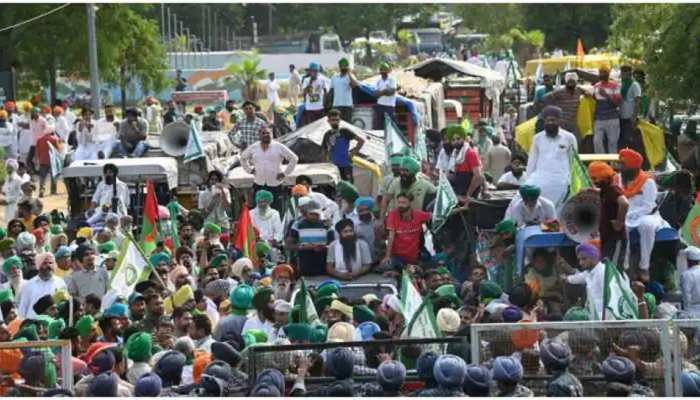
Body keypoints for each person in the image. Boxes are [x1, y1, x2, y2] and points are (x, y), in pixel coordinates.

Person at [619, 148, 667, 281]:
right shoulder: (618, 178)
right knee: (623, 227)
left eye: (624, 166)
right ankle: (625, 265)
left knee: (647, 226)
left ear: (633, 168)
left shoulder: (648, 182)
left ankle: (644, 266)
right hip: (625, 214)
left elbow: (648, 206)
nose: (621, 168)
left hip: (646, 215)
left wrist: (630, 213)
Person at [525, 105, 577, 205]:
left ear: (559, 120)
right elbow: (532, 162)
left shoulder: (569, 138)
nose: (550, 123)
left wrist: (571, 182)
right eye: (548, 120)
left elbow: (573, 162)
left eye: (553, 120)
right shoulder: (537, 138)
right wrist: (527, 182)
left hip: (561, 180)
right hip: (540, 178)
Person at [240, 125, 298, 211]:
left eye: (268, 133)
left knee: (276, 210)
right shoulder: (254, 147)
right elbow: (243, 158)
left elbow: (294, 158)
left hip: (275, 184)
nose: (266, 135)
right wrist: (249, 170)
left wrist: (285, 173)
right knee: (258, 210)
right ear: (259, 135)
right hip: (259, 183)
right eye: (263, 133)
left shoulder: (278, 146)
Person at [588, 161, 628, 266]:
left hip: (615, 238)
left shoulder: (612, 189)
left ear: (604, 176)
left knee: (612, 269)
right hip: (607, 237)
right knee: (606, 266)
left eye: (595, 179)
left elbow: (624, 203)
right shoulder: (605, 190)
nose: (594, 182)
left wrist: (619, 222)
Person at [381, 192, 431, 271]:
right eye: (399, 202)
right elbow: (391, 237)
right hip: (398, 257)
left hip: (414, 256)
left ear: (410, 203)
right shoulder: (392, 214)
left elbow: (437, 216)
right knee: (387, 266)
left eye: (403, 203)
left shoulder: (418, 215)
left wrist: (457, 209)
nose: (400, 205)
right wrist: (387, 256)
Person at [16, 253, 67, 319]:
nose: (48, 265)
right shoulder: (29, 285)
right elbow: (22, 309)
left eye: (50, 263)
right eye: (45, 263)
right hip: (34, 323)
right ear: (39, 265)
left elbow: (64, 304)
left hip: (54, 323)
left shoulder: (60, 282)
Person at [286, 206, 333, 276]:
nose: (314, 217)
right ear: (306, 213)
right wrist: (304, 247)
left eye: (316, 214)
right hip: (305, 264)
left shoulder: (326, 224)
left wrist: (324, 247)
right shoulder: (298, 224)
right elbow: (289, 245)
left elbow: (333, 243)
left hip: (323, 264)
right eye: (311, 214)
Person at [321, 109, 365, 182]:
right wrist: (326, 164)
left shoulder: (344, 131)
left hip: (346, 165)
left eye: (336, 120)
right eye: (332, 120)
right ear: (328, 121)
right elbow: (324, 151)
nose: (335, 122)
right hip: (334, 168)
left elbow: (361, 141)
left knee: (348, 188)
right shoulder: (327, 134)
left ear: (339, 120)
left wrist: (353, 152)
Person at [446, 124, 484, 199]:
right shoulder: (454, 154)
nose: (456, 142)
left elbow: (478, 177)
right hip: (458, 193)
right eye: (453, 140)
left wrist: (468, 195)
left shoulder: (470, 153)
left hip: (467, 196)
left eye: (458, 138)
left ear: (464, 138)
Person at [592, 65, 622, 153]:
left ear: (608, 74)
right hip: (599, 119)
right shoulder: (596, 86)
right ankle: (602, 163)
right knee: (597, 141)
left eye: (604, 72)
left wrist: (606, 95)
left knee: (612, 143)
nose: (602, 74)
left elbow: (617, 103)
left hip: (612, 118)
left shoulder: (615, 86)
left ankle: (612, 164)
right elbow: (594, 102)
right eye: (601, 72)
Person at [619, 65, 642, 151]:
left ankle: (634, 161)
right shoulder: (621, 84)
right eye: (622, 72)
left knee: (630, 141)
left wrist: (634, 117)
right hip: (621, 117)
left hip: (630, 117)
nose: (622, 74)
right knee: (622, 141)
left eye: (624, 72)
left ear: (629, 73)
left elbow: (638, 101)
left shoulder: (634, 85)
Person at [300, 62, 330, 127]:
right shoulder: (306, 80)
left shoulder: (322, 79)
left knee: (321, 127)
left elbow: (325, 92)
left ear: (317, 71)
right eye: (312, 71)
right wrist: (310, 83)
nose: (314, 73)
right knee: (311, 127)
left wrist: (324, 104)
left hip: (320, 107)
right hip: (310, 108)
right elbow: (304, 92)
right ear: (310, 72)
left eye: (315, 71)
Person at [34, 126, 60, 198]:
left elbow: (37, 151)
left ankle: (42, 190)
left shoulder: (39, 139)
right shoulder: (54, 139)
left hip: (42, 160)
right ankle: (53, 191)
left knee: (42, 177)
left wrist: (36, 160)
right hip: (52, 161)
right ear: (52, 132)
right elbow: (58, 150)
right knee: (54, 176)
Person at [373, 63, 397, 130]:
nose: (383, 73)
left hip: (389, 107)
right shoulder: (378, 81)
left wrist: (380, 93)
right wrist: (385, 91)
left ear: (388, 71)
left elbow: (391, 92)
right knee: (379, 127)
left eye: (385, 72)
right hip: (380, 106)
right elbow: (375, 94)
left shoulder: (392, 79)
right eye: (382, 72)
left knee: (390, 127)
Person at [681, 246, 700, 318]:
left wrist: (687, 312)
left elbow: (686, 296)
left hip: (693, 311)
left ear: (688, 261)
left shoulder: (686, 275)